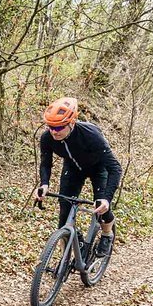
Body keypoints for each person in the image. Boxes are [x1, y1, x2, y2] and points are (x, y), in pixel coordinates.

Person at [34, 97, 122, 258]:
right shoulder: (47, 138)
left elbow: (115, 169)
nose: (54, 131)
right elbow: (45, 163)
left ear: (72, 122)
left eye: (59, 127)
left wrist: (107, 199)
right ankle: (64, 261)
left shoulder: (92, 135)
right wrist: (44, 184)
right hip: (73, 169)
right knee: (64, 214)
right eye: (51, 126)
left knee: (101, 207)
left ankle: (107, 234)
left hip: (98, 168)